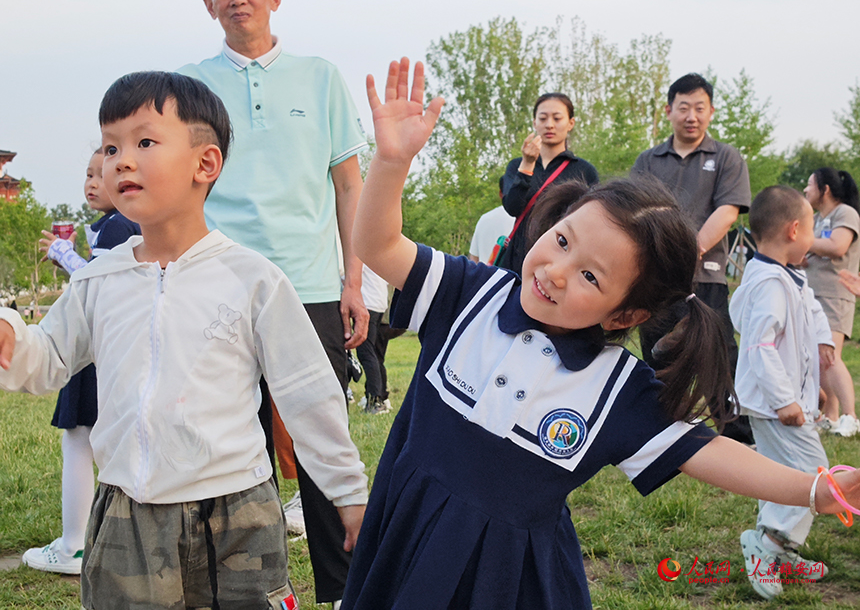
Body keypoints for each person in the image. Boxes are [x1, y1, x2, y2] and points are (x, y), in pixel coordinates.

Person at [339, 57, 860, 610]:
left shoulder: (614, 388)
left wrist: (811, 489)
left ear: (624, 316)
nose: (555, 271)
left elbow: (708, 455)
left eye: (591, 276)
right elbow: (377, 245)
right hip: (407, 532)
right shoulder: (470, 293)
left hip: (505, 579)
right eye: (563, 241)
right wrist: (391, 163)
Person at [0, 71, 367, 609]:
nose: (120, 160)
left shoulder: (253, 279)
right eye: (110, 146)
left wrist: (348, 493)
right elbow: (49, 359)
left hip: (238, 513)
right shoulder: (97, 280)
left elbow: (308, 392)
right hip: (127, 514)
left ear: (205, 163)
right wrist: (11, 336)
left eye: (144, 141)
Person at [178, 0, 369, 602]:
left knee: (321, 437)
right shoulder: (190, 86)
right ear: (209, 4)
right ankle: (250, 590)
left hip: (310, 284)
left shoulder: (320, 77)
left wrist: (354, 279)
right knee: (230, 443)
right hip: (219, 282)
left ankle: (340, 589)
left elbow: (348, 185)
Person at [20, 149, 140, 576]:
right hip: (108, 351)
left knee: (77, 440)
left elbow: (100, 284)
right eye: (88, 174)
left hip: (91, 351)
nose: (92, 182)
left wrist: (66, 256)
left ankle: (74, 545)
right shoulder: (117, 226)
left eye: (100, 172)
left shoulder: (118, 226)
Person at [632, 72, 753, 445]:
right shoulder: (649, 159)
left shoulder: (726, 157)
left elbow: (728, 211)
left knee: (718, 348)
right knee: (656, 348)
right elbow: (636, 211)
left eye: (699, 108)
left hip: (708, 274)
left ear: (711, 112)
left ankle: (734, 429)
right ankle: (662, 428)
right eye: (683, 107)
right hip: (657, 274)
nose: (691, 116)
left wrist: (690, 250)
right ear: (669, 111)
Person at [730, 186, 835, 600]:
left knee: (781, 476)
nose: (813, 237)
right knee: (814, 475)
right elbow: (759, 345)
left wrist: (811, 389)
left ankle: (782, 550)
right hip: (776, 406)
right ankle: (767, 546)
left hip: (786, 402)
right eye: (812, 228)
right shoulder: (770, 282)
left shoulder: (786, 276)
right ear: (795, 230)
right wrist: (785, 401)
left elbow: (807, 322)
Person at [497, 92, 598, 274]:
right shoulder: (516, 166)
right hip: (516, 260)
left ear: (570, 123)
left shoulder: (584, 171)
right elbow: (512, 207)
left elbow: (590, 223)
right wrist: (527, 164)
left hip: (558, 263)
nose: (549, 124)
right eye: (542, 118)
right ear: (535, 123)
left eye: (557, 118)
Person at [803, 167, 860, 438]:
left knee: (830, 356)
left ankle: (851, 416)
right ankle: (832, 417)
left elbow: (837, 246)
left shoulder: (844, 213)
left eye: (810, 185)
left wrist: (804, 242)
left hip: (835, 294)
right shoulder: (814, 219)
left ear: (825, 190)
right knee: (819, 358)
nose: (805, 190)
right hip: (812, 295)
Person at [356, 265, 392, 414]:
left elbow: (349, 274)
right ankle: (381, 397)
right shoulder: (375, 250)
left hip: (368, 303)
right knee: (375, 355)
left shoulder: (361, 251)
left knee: (366, 353)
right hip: (378, 303)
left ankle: (374, 400)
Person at [469, 177, 515, 264]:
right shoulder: (526, 220)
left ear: (500, 193)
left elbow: (474, 259)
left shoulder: (484, 219)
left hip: (485, 276)